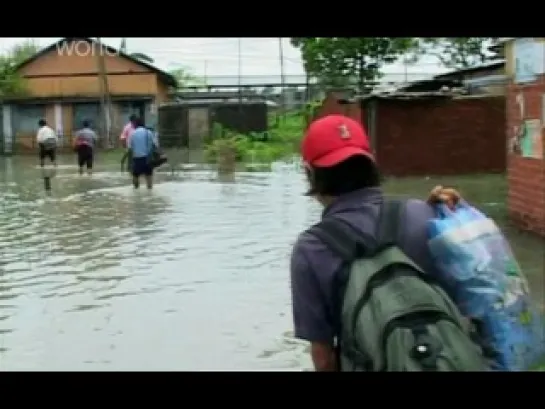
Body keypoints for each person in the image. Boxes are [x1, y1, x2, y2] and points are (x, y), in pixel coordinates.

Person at [290, 114, 486, 372]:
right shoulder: (423, 215)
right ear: (370, 163)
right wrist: (450, 215)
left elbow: (324, 357)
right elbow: (478, 297)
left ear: (310, 173)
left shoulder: (310, 249)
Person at [128, 116, 155, 189]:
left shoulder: (132, 134)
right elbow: (154, 145)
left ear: (135, 124)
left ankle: (136, 190)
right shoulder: (148, 132)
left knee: (135, 175)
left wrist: (130, 163)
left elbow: (130, 149)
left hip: (137, 159)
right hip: (147, 158)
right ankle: (149, 191)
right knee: (149, 176)